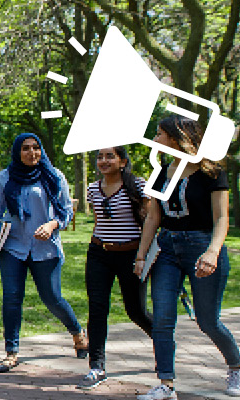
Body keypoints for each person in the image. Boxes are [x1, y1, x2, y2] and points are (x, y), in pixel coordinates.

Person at [133, 115, 240, 399]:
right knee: (162, 318)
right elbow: (152, 219)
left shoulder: (211, 171)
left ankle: (237, 366)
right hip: (167, 250)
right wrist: (140, 255)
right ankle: (166, 384)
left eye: (160, 134)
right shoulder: (160, 173)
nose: (156, 139)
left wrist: (212, 251)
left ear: (176, 138)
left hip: (202, 247)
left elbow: (222, 218)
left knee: (207, 321)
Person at [0, 132, 86, 373]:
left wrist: (51, 225)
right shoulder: (5, 177)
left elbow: (66, 212)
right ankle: (11, 352)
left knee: (52, 297)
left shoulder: (54, 176)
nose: (32, 153)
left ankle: (77, 331)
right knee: (11, 298)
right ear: (17, 152)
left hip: (45, 249)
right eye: (26, 148)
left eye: (36, 148)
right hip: (13, 247)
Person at [77, 146, 153, 389]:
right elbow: (100, 221)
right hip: (99, 253)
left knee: (136, 310)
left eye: (110, 156)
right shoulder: (92, 189)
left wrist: (143, 255)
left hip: (130, 254)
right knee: (97, 309)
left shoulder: (137, 186)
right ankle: (96, 367)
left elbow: (150, 220)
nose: (103, 160)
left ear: (122, 161)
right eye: (100, 156)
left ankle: (163, 343)